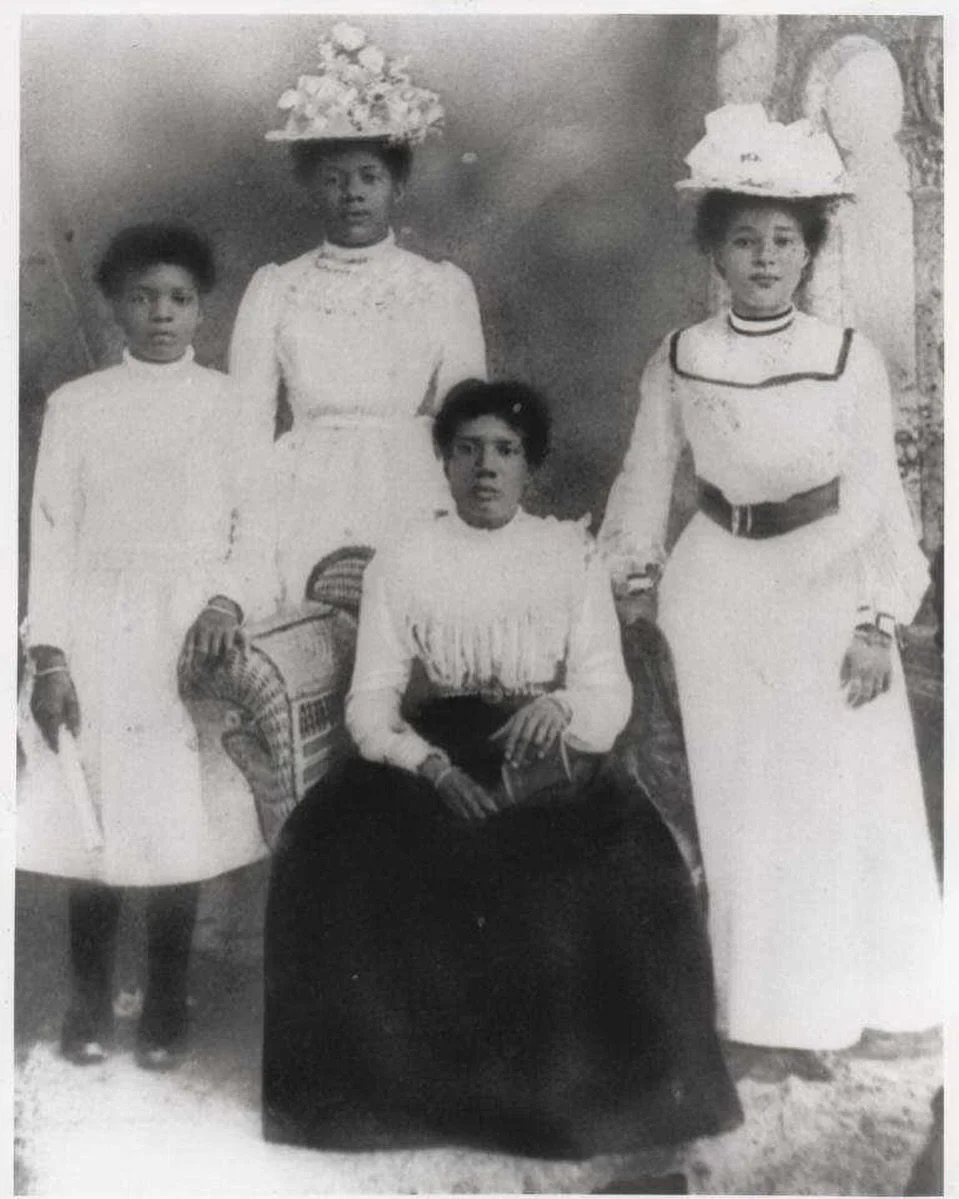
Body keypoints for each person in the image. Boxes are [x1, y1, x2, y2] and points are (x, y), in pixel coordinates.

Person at [261, 379, 742, 1160]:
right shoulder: (404, 557)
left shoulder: (566, 552)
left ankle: (572, 1099)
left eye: (506, 451)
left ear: (530, 466)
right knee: (329, 851)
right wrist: (430, 766)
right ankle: (400, 1098)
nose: (486, 467)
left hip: (543, 747)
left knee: (619, 870)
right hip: (438, 743)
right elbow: (371, 702)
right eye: (468, 449)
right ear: (444, 461)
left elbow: (606, 687)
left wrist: (561, 707)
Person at [601, 104, 941, 1081]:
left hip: (828, 589)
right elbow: (642, 473)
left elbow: (880, 498)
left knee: (838, 797)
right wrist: (632, 577)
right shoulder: (677, 355)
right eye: (741, 238)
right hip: (716, 592)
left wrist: (879, 618)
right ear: (713, 248)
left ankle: (870, 1001)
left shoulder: (847, 358)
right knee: (742, 803)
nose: (762, 257)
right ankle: (756, 1014)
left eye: (781, 239)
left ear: (807, 251)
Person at [18, 223, 265, 1069]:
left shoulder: (234, 402)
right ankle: (88, 996)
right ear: (114, 305)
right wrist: (50, 653)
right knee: (91, 821)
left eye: (179, 298)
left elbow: (257, 524)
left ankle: (165, 996)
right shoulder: (80, 405)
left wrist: (227, 599)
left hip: (186, 633)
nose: (161, 314)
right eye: (141, 297)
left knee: (175, 821)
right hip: (96, 625)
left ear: (202, 306)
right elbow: (52, 534)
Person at [224, 23, 486, 619]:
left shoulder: (440, 288)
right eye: (334, 179)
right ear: (311, 186)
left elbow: (467, 428)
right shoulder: (276, 289)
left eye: (369, 177)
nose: (352, 195)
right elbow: (245, 432)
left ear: (397, 183)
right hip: (303, 493)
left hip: (411, 489)